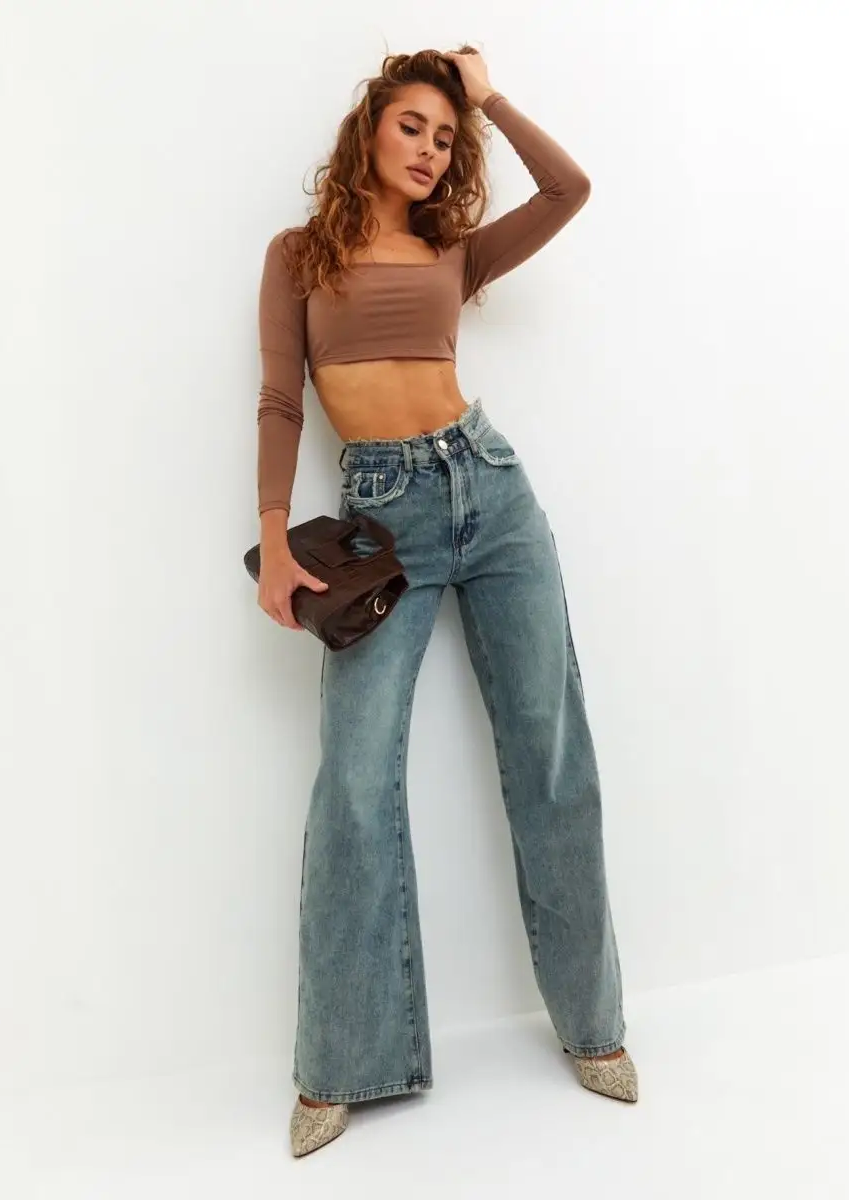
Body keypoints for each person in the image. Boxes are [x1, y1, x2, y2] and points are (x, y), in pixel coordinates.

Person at [255, 45, 639, 1159]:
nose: (428, 149)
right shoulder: (297, 255)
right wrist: (274, 538)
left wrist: (490, 97)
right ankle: (340, 1061)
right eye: (411, 126)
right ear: (368, 130)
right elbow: (282, 399)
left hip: (493, 490)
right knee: (354, 783)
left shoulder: (452, 252)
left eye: (443, 135)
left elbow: (569, 189)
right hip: (382, 524)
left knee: (550, 752)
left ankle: (595, 1025)